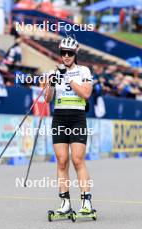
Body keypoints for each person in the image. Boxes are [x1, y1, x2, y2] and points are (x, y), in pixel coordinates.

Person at [45, 36, 94, 214]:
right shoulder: (54, 72)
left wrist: (68, 78)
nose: (66, 56)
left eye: (69, 53)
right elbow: (48, 99)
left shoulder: (83, 71)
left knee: (77, 160)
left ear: (75, 54)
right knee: (61, 161)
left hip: (77, 118)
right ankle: (65, 202)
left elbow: (86, 94)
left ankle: (86, 201)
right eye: (63, 53)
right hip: (59, 117)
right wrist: (50, 84)